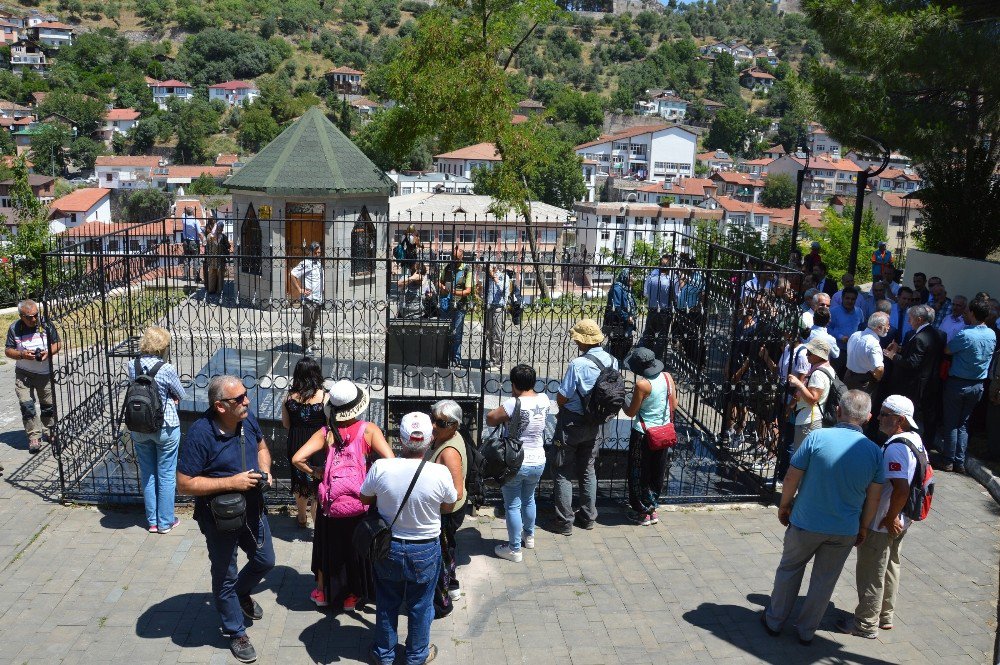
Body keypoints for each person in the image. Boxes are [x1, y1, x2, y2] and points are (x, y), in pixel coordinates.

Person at [762, 390, 884, 646]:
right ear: (868, 418)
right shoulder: (874, 452)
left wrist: (784, 506)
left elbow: (791, 477)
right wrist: (863, 526)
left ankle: (774, 621)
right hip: (844, 529)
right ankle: (806, 631)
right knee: (824, 581)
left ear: (838, 410)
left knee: (789, 569)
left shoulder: (816, 437)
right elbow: (873, 497)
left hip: (805, 522)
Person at [176, 375, 275, 664]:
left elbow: (261, 448)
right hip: (221, 518)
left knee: (265, 560)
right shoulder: (200, 434)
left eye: (246, 394)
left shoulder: (246, 419)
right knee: (225, 574)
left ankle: (241, 594)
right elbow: (184, 484)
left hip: (253, 509)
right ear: (220, 406)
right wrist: (233, 482)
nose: (247, 401)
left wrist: (266, 471)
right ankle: (235, 631)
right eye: (239, 398)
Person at [361, 412, 457, 665]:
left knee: (387, 601)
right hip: (425, 548)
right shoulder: (439, 472)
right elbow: (449, 505)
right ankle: (416, 655)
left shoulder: (381, 467)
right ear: (429, 440)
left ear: (401, 440)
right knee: (421, 605)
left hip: (387, 546)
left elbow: (364, 498)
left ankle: (384, 654)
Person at [293, 379, 393, 611]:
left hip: (331, 505)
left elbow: (297, 458)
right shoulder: (369, 430)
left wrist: (316, 471)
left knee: (327, 546)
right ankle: (352, 595)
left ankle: (322, 593)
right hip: (361, 502)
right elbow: (390, 461)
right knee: (356, 549)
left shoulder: (326, 432)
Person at [837, 395, 925, 640]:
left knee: (871, 571)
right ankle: (884, 615)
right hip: (900, 520)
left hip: (884, 522)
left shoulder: (896, 448)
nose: (878, 417)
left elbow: (901, 489)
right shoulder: (914, 440)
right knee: (890, 566)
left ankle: (865, 623)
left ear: (900, 420)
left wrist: (889, 516)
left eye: (885, 414)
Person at [553, 319, 618, 535]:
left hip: (572, 422)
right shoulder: (612, 361)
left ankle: (565, 522)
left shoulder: (577, 364)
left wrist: (558, 402)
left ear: (584, 342)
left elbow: (563, 396)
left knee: (563, 471)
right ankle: (589, 517)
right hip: (596, 423)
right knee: (588, 469)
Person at [485, 364, 551, 561]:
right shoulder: (544, 399)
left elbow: (490, 419)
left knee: (512, 505)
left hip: (515, 462)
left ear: (513, 384)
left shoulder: (513, 404)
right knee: (529, 499)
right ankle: (529, 537)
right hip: (538, 459)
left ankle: (514, 550)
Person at [127, 326, 186, 533]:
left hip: (140, 425)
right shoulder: (166, 368)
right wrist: (172, 397)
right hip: (166, 426)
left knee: (148, 473)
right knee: (167, 474)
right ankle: (166, 521)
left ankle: (152, 521)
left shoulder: (131, 364)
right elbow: (180, 393)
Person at [940, 298, 996, 473]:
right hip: (978, 385)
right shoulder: (991, 334)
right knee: (964, 423)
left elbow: (948, 350)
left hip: (958, 383)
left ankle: (949, 460)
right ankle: (960, 461)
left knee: (951, 423)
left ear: (972, 313)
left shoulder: (966, 334)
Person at [622, 347, 676, 526]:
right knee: (657, 471)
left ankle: (642, 512)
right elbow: (673, 405)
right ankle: (653, 508)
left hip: (644, 434)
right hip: (663, 433)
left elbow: (631, 412)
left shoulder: (642, 385)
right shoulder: (668, 377)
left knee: (639, 473)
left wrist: (623, 398)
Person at [5, 299, 60, 454]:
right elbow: (8, 351)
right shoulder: (14, 328)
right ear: (21, 316)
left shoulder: (46, 324)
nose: (34, 319)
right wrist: (22, 354)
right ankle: (33, 437)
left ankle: (50, 432)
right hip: (24, 374)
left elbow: (58, 343)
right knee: (26, 405)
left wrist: (48, 352)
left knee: (48, 405)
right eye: (29, 317)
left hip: (44, 373)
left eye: (36, 315)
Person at [429, 399, 468, 609]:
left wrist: (439, 514)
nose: (434, 425)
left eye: (441, 423)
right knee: (448, 549)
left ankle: (443, 595)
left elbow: (456, 492)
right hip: (446, 511)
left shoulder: (449, 452)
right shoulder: (446, 437)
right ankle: (452, 585)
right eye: (433, 419)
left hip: (447, 512)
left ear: (454, 425)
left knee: (443, 553)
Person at [883, 305, 944, 434]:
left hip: (916, 383)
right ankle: (927, 441)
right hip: (931, 379)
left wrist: (893, 356)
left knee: (913, 413)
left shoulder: (919, 338)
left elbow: (912, 363)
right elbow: (922, 353)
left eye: (910, 318)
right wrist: (900, 349)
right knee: (928, 414)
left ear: (919, 319)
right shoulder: (936, 334)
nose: (908, 321)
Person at [281, 357, 327, 527]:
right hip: (318, 445)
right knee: (317, 484)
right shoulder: (324, 398)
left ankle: (301, 517)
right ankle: (317, 524)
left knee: (300, 482)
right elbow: (329, 425)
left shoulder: (288, 398)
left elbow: (286, 424)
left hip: (296, 442)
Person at [787, 338, 833, 450]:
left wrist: (799, 384)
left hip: (809, 420)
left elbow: (813, 399)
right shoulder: (828, 369)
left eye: (810, 353)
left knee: (800, 456)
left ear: (819, 355)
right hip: (813, 418)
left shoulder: (817, 374)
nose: (807, 355)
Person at [438, 246, 473, 367]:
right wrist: (443, 288)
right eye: (453, 258)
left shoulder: (467, 269)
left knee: (457, 332)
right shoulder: (447, 267)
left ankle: (455, 358)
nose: (455, 261)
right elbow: (440, 281)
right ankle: (444, 357)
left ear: (462, 256)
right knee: (445, 331)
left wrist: (453, 292)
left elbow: (468, 291)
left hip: (459, 304)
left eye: (456, 259)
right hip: (446, 302)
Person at [290, 241, 324, 354]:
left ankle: (312, 343)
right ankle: (305, 346)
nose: (318, 254)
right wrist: (300, 289)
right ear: (311, 252)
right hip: (309, 299)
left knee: (314, 323)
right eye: (316, 252)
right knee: (307, 325)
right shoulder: (306, 263)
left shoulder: (318, 263)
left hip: (318, 298)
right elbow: (293, 274)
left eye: (319, 252)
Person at [845, 312, 890, 394]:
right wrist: (877, 377)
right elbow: (879, 369)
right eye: (887, 325)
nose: (888, 327)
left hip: (848, 377)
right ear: (879, 327)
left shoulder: (855, 335)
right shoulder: (873, 344)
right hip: (863, 382)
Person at [642, 253, 675, 356]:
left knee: (649, 334)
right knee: (662, 336)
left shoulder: (651, 278)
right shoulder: (670, 280)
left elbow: (645, 293)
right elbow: (675, 295)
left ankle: (646, 356)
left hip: (652, 309)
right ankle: (657, 358)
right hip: (664, 311)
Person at [602, 268, 636, 364]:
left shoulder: (625, 288)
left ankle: (618, 365)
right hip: (617, 322)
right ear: (625, 276)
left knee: (625, 344)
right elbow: (616, 307)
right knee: (617, 346)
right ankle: (614, 367)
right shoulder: (617, 288)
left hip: (624, 323)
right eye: (631, 275)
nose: (633, 278)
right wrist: (627, 317)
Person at [829, 286, 865, 372]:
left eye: (853, 299)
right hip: (838, 351)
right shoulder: (833, 312)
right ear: (842, 298)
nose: (850, 301)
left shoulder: (859, 312)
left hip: (853, 352)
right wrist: (840, 337)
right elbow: (828, 329)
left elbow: (862, 328)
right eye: (847, 298)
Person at [483, 262, 511, 372]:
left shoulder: (504, 277)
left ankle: (499, 363)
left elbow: (504, 290)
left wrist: (494, 277)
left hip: (498, 309)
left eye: (490, 267)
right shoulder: (488, 278)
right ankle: (492, 360)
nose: (488, 269)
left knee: (497, 336)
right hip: (489, 308)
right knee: (490, 335)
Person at [181, 206, 204, 282]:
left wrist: (185, 210)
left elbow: (183, 213)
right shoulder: (195, 221)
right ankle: (196, 277)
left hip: (185, 241)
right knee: (196, 259)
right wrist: (204, 241)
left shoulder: (184, 220)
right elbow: (199, 233)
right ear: (193, 212)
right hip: (194, 242)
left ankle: (185, 276)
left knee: (187, 259)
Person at [204, 220, 223, 295]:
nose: (222, 230)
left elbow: (206, 246)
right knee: (219, 275)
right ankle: (219, 290)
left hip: (211, 258)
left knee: (211, 274)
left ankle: (211, 290)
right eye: (221, 228)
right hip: (218, 258)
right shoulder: (221, 236)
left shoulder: (209, 236)